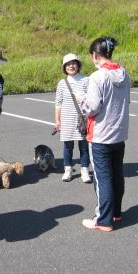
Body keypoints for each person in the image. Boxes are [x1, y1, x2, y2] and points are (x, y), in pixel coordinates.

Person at [79, 37, 131, 232]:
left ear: (94, 55)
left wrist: (82, 100)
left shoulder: (97, 77)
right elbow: (127, 102)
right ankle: (115, 212)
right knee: (117, 174)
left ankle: (103, 220)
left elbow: (92, 107)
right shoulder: (125, 75)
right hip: (119, 133)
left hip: (101, 135)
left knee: (103, 178)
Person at [55, 53, 91, 183]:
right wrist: (57, 120)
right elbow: (58, 103)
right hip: (66, 119)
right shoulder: (62, 83)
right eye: (68, 64)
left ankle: (85, 170)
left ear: (78, 65)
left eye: (74, 63)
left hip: (83, 119)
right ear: (64, 67)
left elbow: (92, 100)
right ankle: (68, 170)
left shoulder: (86, 80)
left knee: (84, 146)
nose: (71, 66)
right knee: (68, 146)